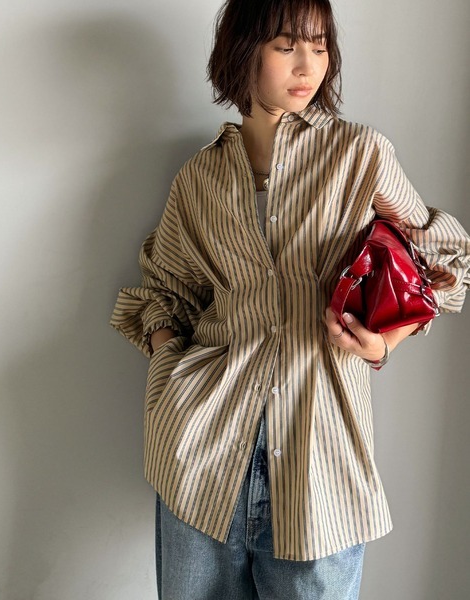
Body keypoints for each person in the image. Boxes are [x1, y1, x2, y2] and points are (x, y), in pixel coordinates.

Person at [110, 0, 470, 598]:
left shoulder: (359, 155)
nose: (308, 65)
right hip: (203, 456)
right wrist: (172, 371)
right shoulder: (200, 178)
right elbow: (164, 290)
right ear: (242, 51)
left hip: (320, 461)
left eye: (320, 46)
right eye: (286, 46)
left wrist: (384, 342)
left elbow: (447, 255)